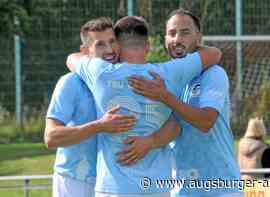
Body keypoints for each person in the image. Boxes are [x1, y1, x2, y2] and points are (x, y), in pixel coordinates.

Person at [66, 15, 222, 196]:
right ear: (147, 45)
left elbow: (71, 58)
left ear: (116, 45)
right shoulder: (171, 72)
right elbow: (214, 53)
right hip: (156, 187)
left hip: (113, 188)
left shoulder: (99, 72)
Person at [121, 9, 242, 196]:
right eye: (172, 33)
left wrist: (164, 96)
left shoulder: (214, 74)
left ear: (199, 37)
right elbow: (173, 125)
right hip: (181, 190)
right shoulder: (163, 77)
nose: (177, 39)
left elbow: (206, 122)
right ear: (164, 39)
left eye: (185, 32)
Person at [45, 17, 136, 197]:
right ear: (85, 51)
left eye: (112, 42)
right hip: (74, 180)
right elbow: (51, 137)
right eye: (100, 45)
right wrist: (99, 125)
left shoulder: (128, 79)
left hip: (114, 183)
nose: (109, 50)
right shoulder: (70, 83)